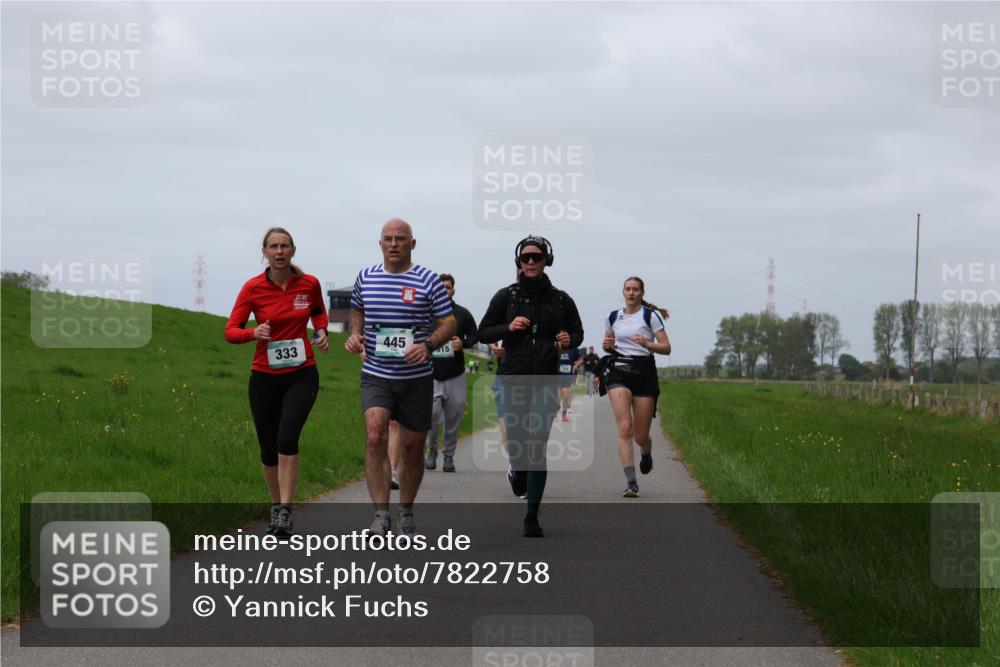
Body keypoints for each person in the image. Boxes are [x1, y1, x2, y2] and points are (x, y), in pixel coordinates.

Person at [345, 218, 456, 540]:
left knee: (411, 448)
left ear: (412, 244)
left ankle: (406, 511)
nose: (394, 244)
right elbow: (357, 311)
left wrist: (428, 345)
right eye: (388, 239)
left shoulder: (429, 280)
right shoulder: (366, 277)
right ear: (380, 243)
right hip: (376, 373)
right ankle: (380, 515)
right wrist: (355, 335)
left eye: (400, 239)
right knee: (376, 435)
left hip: (416, 378)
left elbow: (448, 323)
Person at [225, 227, 329, 537]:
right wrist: (252, 333)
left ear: (293, 250)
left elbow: (318, 312)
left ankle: (285, 510)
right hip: (264, 377)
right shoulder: (253, 288)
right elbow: (231, 331)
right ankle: (275, 505)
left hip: (301, 373)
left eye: (285, 246)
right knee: (268, 448)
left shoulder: (309, 284)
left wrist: (321, 331)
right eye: (274, 246)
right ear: (265, 252)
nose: (280, 251)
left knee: (287, 438)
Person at [479, 236, 583, 537]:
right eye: (526, 258)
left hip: (545, 380)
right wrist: (508, 328)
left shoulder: (561, 299)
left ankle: (532, 515)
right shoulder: (506, 297)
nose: (531, 262)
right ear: (519, 262)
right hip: (513, 377)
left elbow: (576, 332)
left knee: (537, 443)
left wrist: (568, 340)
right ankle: (518, 470)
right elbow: (484, 331)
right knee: (516, 440)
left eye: (537, 257)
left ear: (546, 260)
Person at [602, 276, 671, 498]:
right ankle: (631, 482)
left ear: (642, 293)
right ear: (623, 292)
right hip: (619, 371)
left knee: (641, 436)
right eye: (627, 289)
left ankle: (646, 451)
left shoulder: (650, 316)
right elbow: (609, 345)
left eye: (635, 289)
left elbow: (666, 348)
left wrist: (647, 343)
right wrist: (607, 345)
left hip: (644, 373)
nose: (631, 293)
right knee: (625, 428)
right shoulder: (613, 317)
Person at [425, 273, 479, 472]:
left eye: (447, 287)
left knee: (454, 417)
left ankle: (449, 456)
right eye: (441, 287)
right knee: (431, 415)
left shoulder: (462, 314)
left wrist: (462, 343)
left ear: (452, 290)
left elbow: (475, 335)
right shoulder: (426, 313)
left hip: (455, 373)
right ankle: (431, 450)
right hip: (431, 373)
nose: (444, 290)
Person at [557, 346, 582, 422]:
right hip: (557, 375)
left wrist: (575, 366)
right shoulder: (557, 347)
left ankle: (564, 415)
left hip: (567, 375)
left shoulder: (574, 349)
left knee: (565, 395)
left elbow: (580, 360)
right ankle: (557, 407)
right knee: (557, 395)